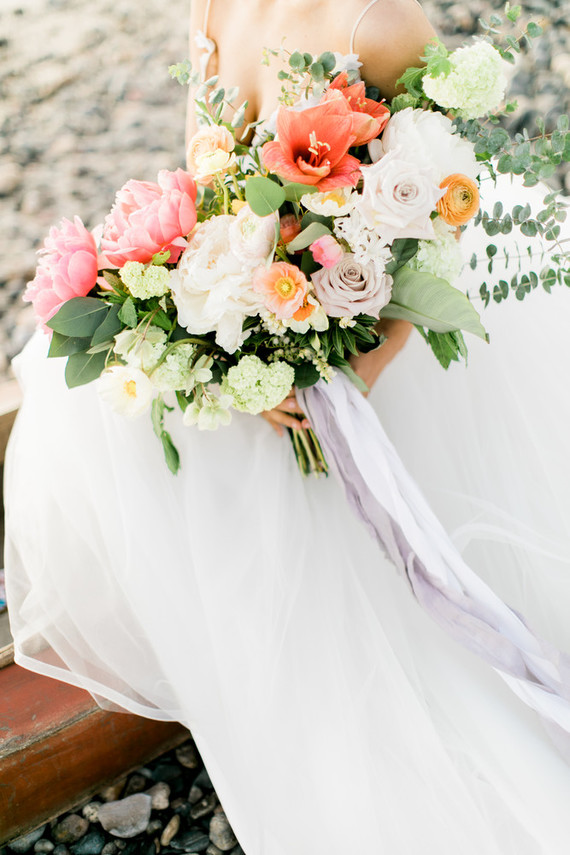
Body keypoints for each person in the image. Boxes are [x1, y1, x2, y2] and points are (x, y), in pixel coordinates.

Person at [5, 0, 570, 851]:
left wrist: (360, 364)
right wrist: (214, 321)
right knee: (89, 389)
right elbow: (207, 180)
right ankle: (257, 667)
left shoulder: (380, 24)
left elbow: (448, 209)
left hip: (391, 317)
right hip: (277, 300)